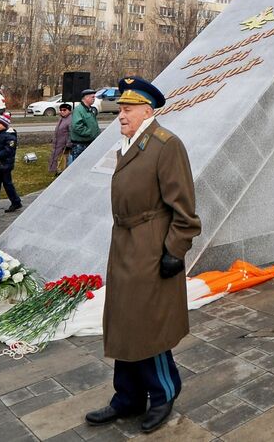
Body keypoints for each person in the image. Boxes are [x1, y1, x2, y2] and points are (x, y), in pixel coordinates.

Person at [85, 77, 200, 435]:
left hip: (151, 247)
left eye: (127, 108)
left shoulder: (166, 145)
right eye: (120, 108)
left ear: (147, 111)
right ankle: (127, 398)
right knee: (124, 322)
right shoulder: (129, 142)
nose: (121, 114)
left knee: (148, 325)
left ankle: (163, 393)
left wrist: (174, 250)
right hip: (125, 243)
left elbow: (185, 210)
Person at [68, 90, 101, 165]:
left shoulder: (89, 109)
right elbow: (77, 126)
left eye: (94, 97)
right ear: (86, 98)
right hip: (80, 145)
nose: (94, 99)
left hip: (89, 143)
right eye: (92, 97)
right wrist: (90, 133)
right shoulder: (79, 110)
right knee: (77, 166)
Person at [50, 102, 73, 175]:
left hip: (64, 144)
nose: (62, 112)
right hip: (58, 142)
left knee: (63, 159)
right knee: (55, 156)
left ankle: (62, 171)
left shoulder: (70, 120)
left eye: (64, 110)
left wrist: (68, 144)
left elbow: (71, 133)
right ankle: (54, 170)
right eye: (61, 110)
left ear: (69, 110)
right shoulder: (62, 119)